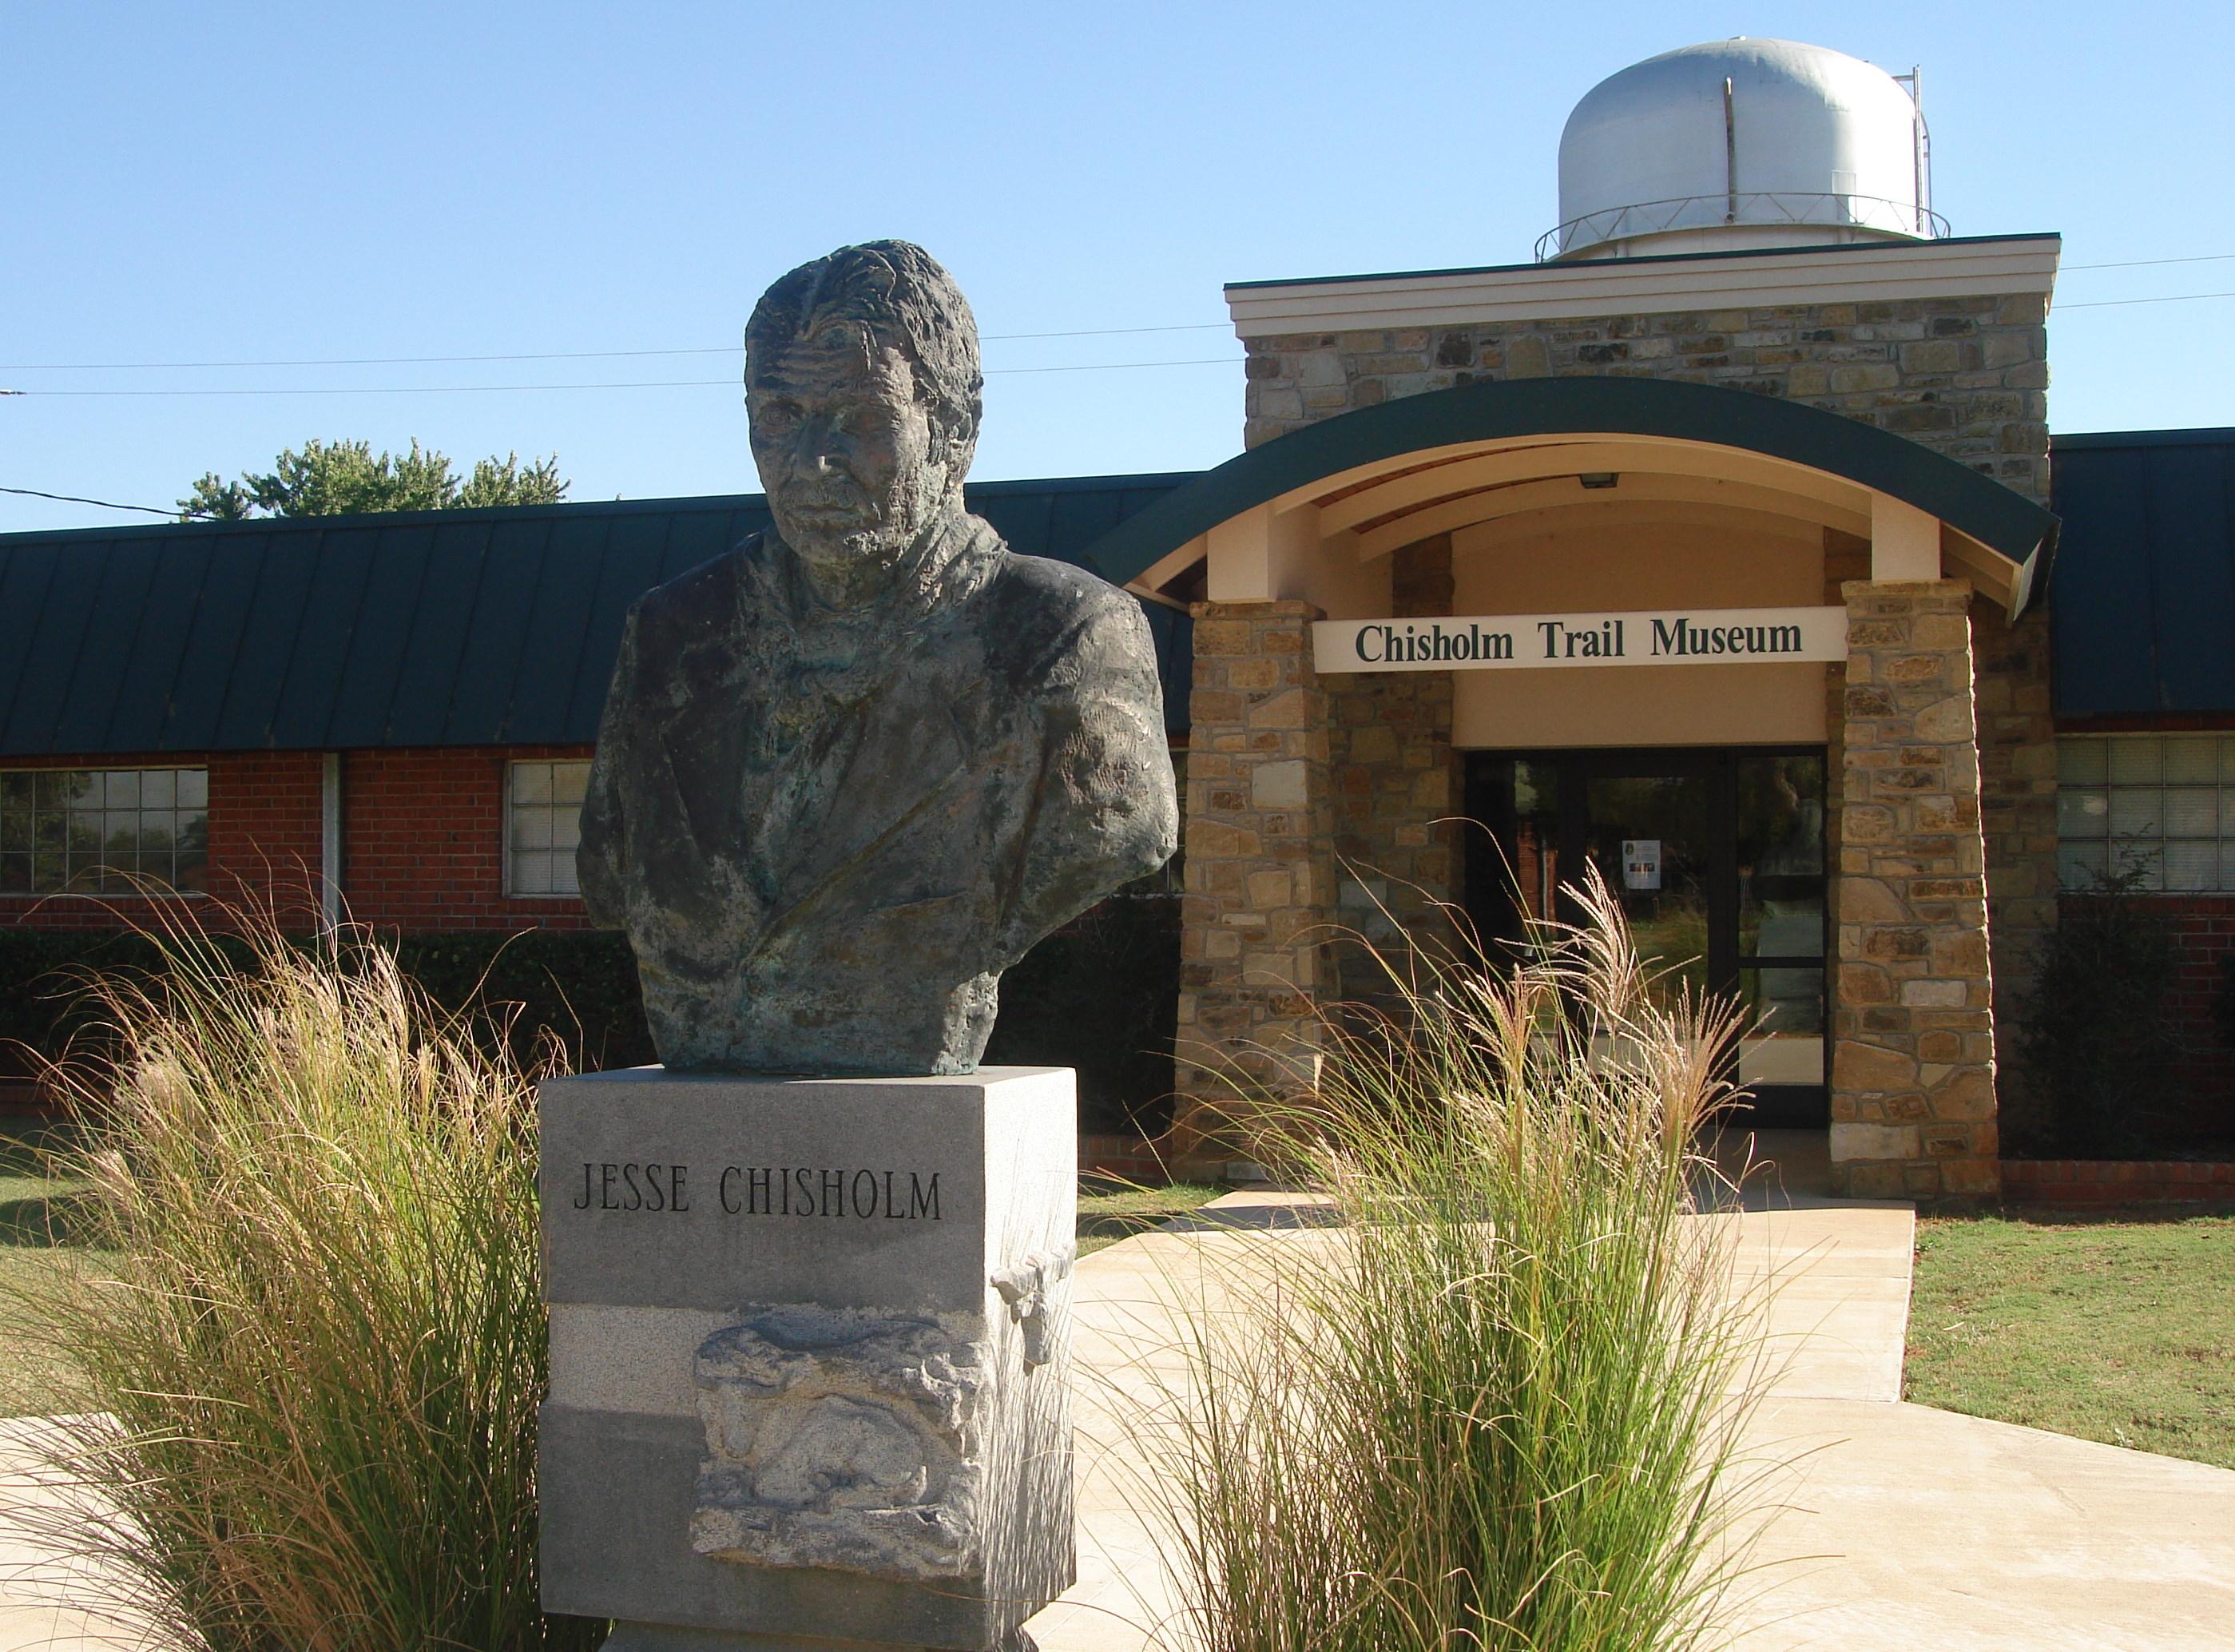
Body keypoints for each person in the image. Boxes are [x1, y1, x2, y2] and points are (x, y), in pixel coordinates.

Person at [578, 240, 1178, 1076]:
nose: (809, 465)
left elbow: (1117, 833)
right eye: (779, 415)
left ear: (954, 431)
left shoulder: (1061, 639)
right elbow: (615, 871)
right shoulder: (671, 636)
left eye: (859, 419)